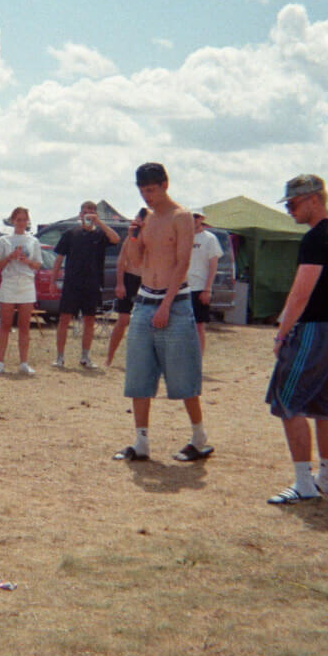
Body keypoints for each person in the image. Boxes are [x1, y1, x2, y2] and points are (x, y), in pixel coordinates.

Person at [112, 163, 211, 463]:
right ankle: (141, 442)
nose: (147, 196)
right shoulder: (147, 218)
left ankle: (199, 438)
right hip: (144, 299)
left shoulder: (182, 216)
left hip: (175, 301)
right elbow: (135, 261)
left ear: (165, 185)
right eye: (142, 191)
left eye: (151, 190)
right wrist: (133, 235)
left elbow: (182, 262)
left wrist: (167, 304)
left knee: (182, 375)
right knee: (138, 374)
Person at [265, 175, 328, 504]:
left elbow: (301, 293)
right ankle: (325, 478)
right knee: (324, 406)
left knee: (287, 402)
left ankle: (303, 483)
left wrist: (282, 333)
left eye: (293, 203)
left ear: (314, 199)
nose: (289, 210)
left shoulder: (316, 238)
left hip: (313, 328)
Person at [51, 200, 119, 368]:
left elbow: (116, 239)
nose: (88, 213)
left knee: (89, 319)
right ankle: (59, 357)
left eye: (91, 211)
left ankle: (85, 357)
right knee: (64, 319)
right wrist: (53, 281)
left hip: (92, 283)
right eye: (85, 210)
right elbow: (59, 258)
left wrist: (99, 222)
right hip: (72, 283)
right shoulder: (70, 233)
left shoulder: (100, 234)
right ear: (80, 213)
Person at [0, 207, 41, 375]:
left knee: (24, 326)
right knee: (5, 324)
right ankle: (0, 362)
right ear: (13, 221)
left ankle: (24, 363)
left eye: (24, 220)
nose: (21, 223)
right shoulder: (4, 240)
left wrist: (27, 261)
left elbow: (37, 264)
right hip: (9, 283)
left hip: (26, 284)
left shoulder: (33, 241)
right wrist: (10, 257)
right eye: (18, 219)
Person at [105, 209, 146, 367]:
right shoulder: (131, 237)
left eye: (139, 219)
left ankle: (140, 360)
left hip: (146, 281)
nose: (136, 221)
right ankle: (109, 358)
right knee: (123, 319)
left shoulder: (151, 236)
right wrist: (120, 283)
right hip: (130, 279)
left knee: (143, 322)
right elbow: (121, 261)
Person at [186, 210, 224, 356]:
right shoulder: (183, 236)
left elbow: (213, 266)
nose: (193, 219)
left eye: (196, 216)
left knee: (198, 326)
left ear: (202, 218)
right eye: (190, 216)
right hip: (181, 287)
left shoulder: (210, 239)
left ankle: (198, 359)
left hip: (199, 287)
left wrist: (207, 289)